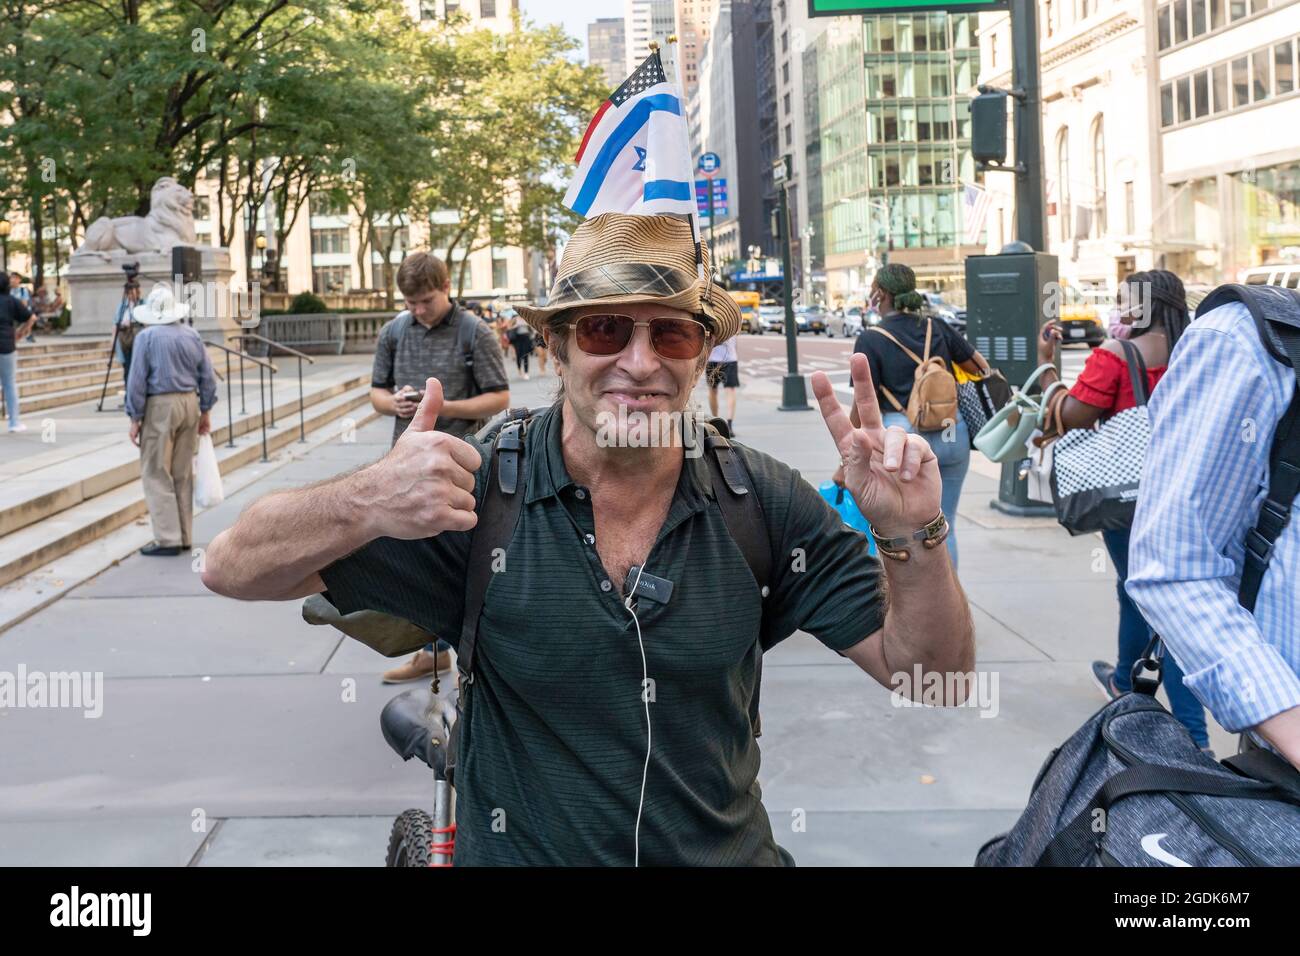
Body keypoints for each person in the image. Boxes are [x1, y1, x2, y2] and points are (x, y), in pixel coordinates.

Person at [201, 212, 974, 866]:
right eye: (606, 329)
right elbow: (231, 567)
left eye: (669, 334)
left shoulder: (760, 499)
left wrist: (916, 534)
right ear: (561, 346)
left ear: (701, 354)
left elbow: (933, 678)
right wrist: (369, 495)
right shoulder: (478, 497)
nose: (638, 362)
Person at [1127, 280, 1300, 770]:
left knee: (1139, 613)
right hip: (1285, 763)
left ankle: (1179, 730)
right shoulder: (1243, 340)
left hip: (1143, 488)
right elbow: (1174, 569)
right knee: (1152, 600)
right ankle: (1185, 730)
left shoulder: (1124, 350)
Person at [1034, 269, 1208, 752]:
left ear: (1142, 307)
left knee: (1157, 606)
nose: (1117, 309)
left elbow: (1071, 417)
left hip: (1130, 504)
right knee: (1141, 590)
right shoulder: (1198, 351)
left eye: (1122, 301)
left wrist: (1048, 365)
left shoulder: (1115, 356)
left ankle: (1194, 738)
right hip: (1190, 497)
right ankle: (1124, 682)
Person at [369, 251, 510, 683]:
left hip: (461, 466)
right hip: (404, 464)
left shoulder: (475, 331)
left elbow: (499, 397)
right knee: (414, 564)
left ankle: (463, 653)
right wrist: (392, 403)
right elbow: (376, 392)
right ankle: (430, 652)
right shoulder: (394, 331)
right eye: (410, 302)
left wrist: (443, 405)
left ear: (446, 287)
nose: (416, 310)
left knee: (462, 566)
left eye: (425, 301)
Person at [843, 263, 986, 566]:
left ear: (880, 293)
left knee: (903, 533)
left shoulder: (871, 338)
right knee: (944, 527)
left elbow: (862, 400)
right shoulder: (938, 326)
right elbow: (980, 367)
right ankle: (949, 607)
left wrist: (847, 456)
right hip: (952, 430)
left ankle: (911, 606)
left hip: (902, 441)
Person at [125, 285, 218, 556]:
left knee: (156, 471)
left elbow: (137, 380)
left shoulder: (147, 337)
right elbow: (208, 377)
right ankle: (185, 535)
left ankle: (168, 538)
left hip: (160, 405)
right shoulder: (192, 335)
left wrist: (135, 417)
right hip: (190, 402)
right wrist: (206, 410)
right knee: (182, 472)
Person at [1, 281, 37, 432]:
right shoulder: (11, 301)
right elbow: (32, 317)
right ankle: (14, 422)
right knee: (9, 384)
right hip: (7, 345)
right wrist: (22, 332)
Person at [705, 332, 739, 435]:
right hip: (725, 359)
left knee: (716, 390)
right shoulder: (735, 318)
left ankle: (722, 423)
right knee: (725, 390)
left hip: (720, 359)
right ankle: (724, 423)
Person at [114, 280, 142, 392]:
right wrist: (113, 340)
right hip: (125, 340)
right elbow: (116, 323)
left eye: (132, 292)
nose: (130, 295)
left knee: (137, 369)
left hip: (137, 339)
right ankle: (128, 394)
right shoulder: (122, 306)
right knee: (127, 368)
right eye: (128, 292)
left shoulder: (142, 304)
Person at [9, 273, 33, 343]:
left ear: (19, 280)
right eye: (12, 278)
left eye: (15, 278)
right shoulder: (8, 290)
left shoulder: (23, 290)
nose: (13, 280)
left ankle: (27, 334)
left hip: (20, 311)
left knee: (30, 317)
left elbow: (24, 304)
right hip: (11, 311)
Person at [509, 311, 534, 379]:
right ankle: (519, 369)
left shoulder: (527, 319)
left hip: (526, 338)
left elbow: (532, 327)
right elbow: (509, 328)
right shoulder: (515, 319)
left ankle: (526, 372)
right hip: (518, 339)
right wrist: (516, 325)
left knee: (525, 355)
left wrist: (527, 324)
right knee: (518, 355)